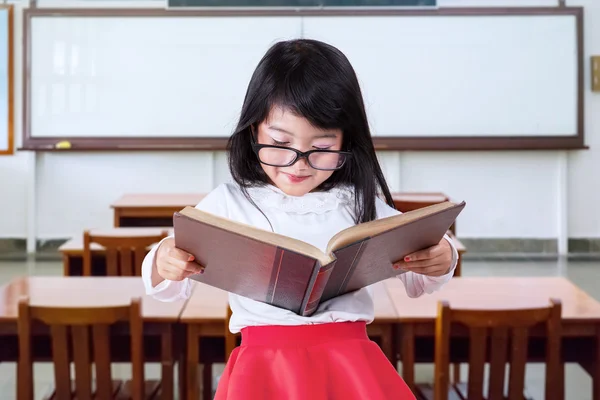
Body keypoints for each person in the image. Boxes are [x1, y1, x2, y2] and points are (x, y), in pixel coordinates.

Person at [142, 39, 458, 400]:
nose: (299, 163)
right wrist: (165, 257)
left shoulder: (357, 202)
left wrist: (442, 257)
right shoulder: (229, 203)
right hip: (263, 368)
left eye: (322, 149)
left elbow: (418, 276)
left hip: (348, 362)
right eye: (280, 143)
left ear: (346, 141)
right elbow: (167, 287)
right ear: (253, 131)